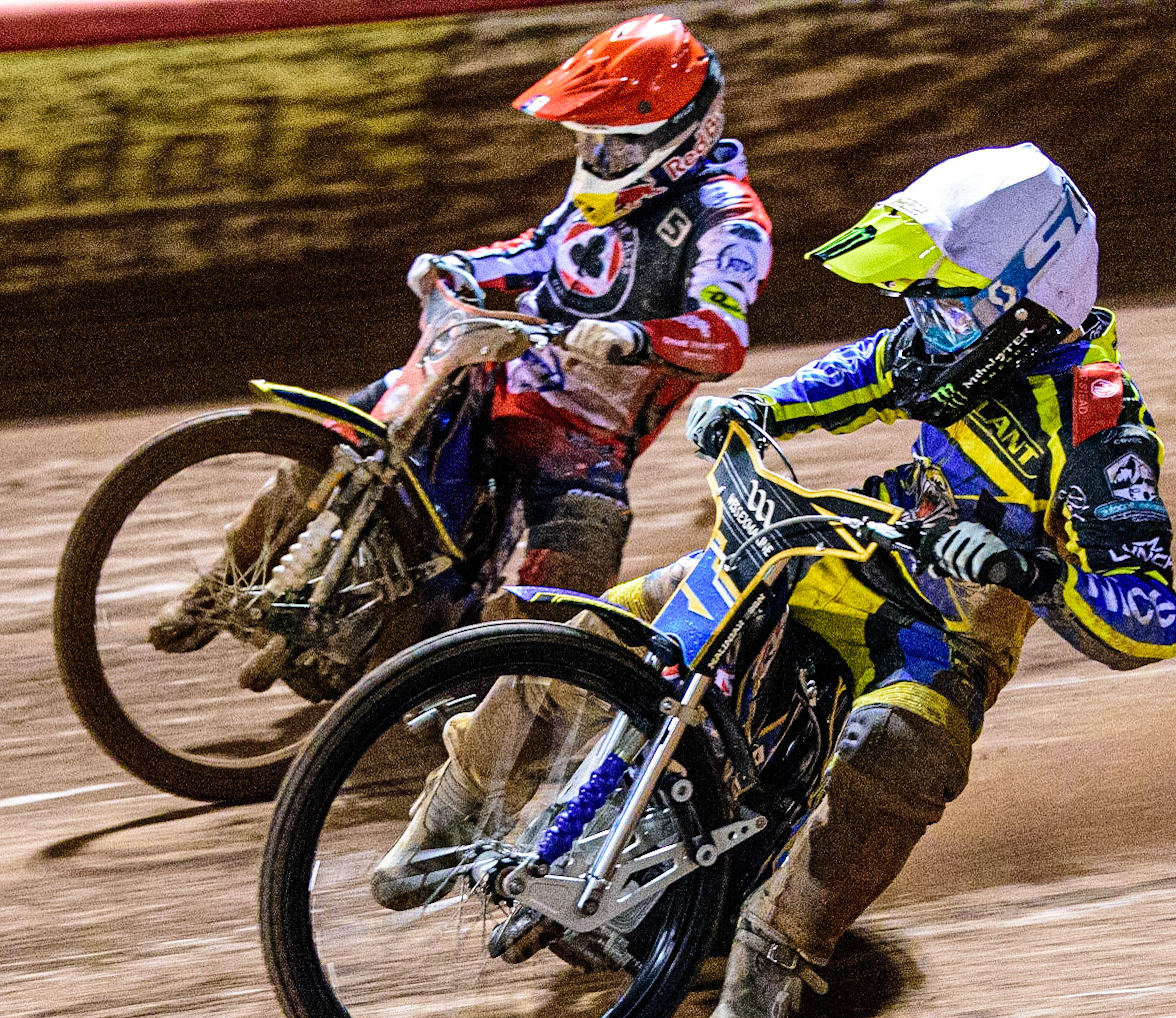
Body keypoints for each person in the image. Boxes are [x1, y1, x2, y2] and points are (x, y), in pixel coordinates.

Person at [659, 142, 1176, 1018]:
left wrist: (1035, 573)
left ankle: (779, 950)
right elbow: (865, 366)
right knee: (636, 614)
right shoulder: (948, 342)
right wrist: (761, 408)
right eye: (922, 301)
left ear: (1033, 303)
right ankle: (460, 800)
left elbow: (1151, 618)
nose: (930, 327)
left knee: (897, 745)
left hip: (948, 632)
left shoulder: (1102, 423)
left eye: (953, 303)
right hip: (855, 547)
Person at [151, 12, 771, 652]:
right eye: (590, 139)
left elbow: (721, 335)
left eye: (614, 143)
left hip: (585, 432)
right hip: (492, 370)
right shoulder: (611, 188)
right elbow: (538, 248)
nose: (597, 156)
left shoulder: (728, 220)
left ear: (681, 135)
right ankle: (221, 588)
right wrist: (462, 266)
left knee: (571, 570)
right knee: (340, 438)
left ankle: (504, 690)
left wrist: (634, 339)